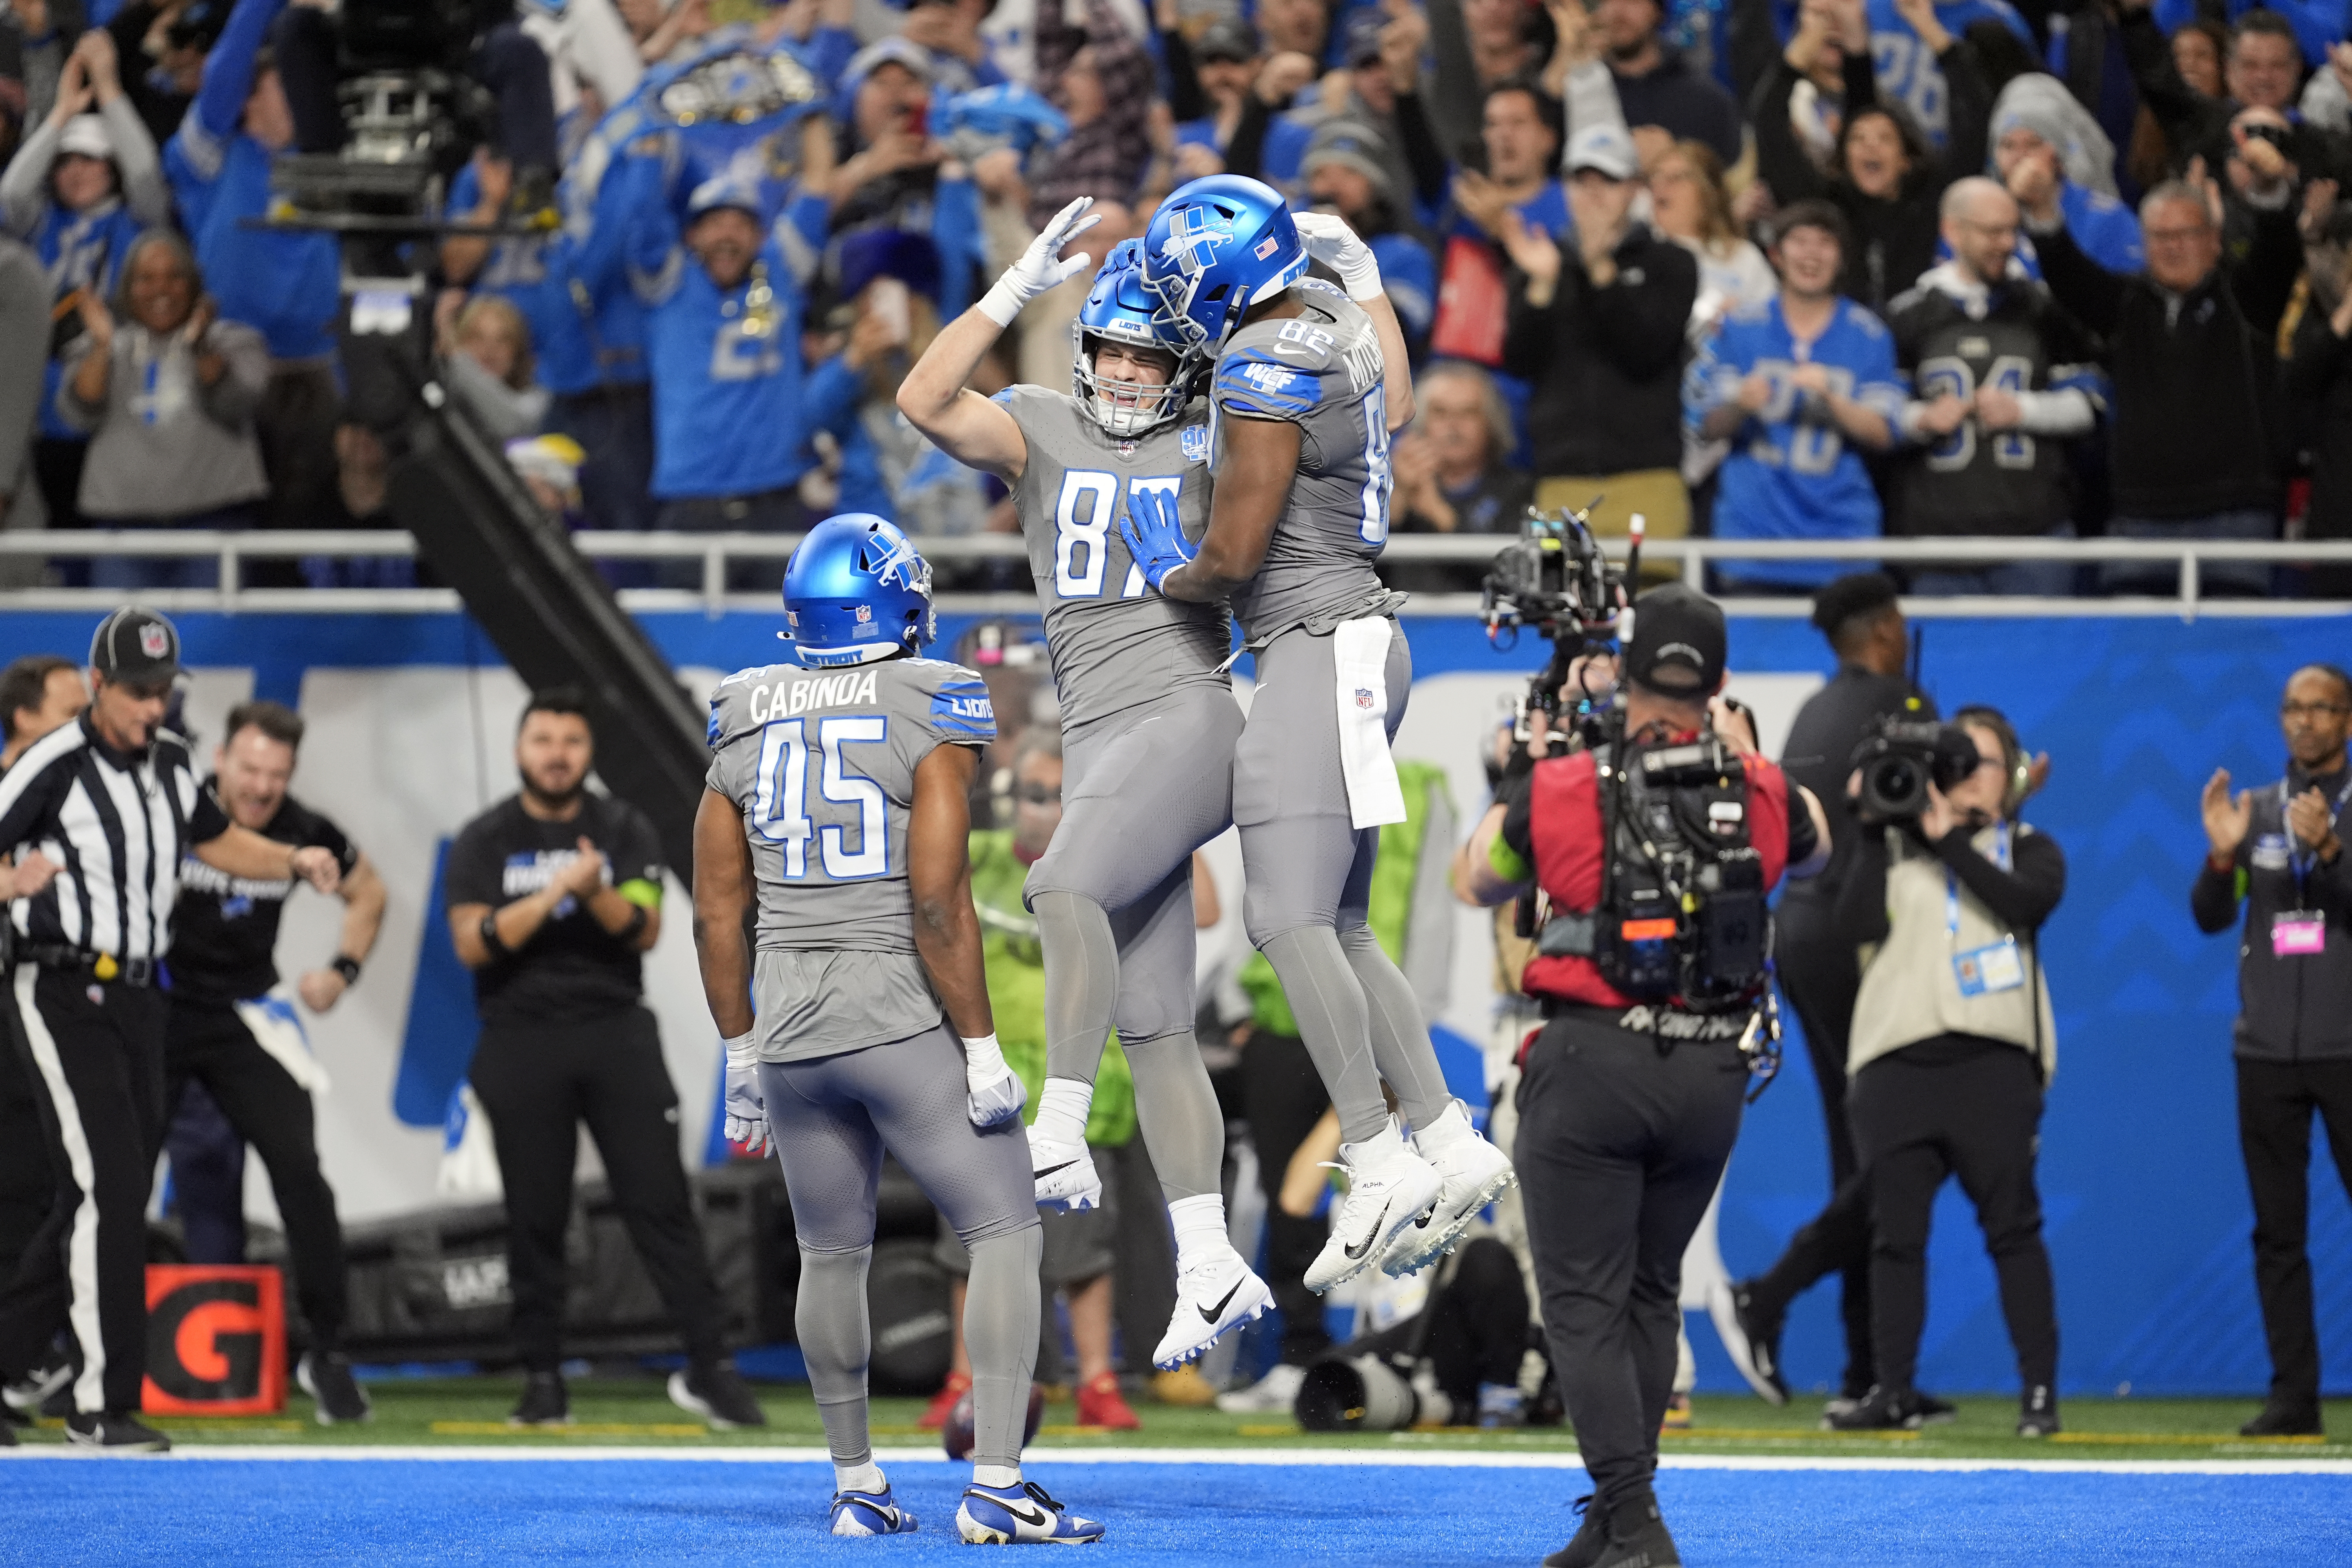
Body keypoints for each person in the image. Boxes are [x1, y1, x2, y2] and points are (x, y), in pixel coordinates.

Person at [895, 211, 1270, 1372]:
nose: (1120, 370)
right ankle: (1208, 1262)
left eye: (1146, 356)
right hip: (1100, 726)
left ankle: (1054, 1123)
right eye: (1107, 349)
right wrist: (1010, 287)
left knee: (1060, 886)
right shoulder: (1043, 427)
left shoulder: (1218, 442)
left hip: (1188, 705)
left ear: (1184, 367)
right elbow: (922, 398)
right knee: (1156, 1028)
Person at [1129, 176, 1516, 1293]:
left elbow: (1237, 554)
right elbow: (1393, 403)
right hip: (1353, 639)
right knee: (1340, 924)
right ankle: (1447, 1136)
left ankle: (1377, 1150)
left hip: (1317, 640)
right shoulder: (1335, 324)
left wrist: (1172, 574)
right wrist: (1369, 282)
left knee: (1284, 918)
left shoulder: (1263, 362)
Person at [695, 513, 1103, 1544]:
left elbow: (714, 905)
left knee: (831, 1253)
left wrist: (740, 1045)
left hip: (788, 1018)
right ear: (896, 604)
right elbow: (938, 900)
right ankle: (1000, 1485)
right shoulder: (933, 695)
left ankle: (856, 1486)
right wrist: (977, 1046)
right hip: (891, 1006)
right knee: (1007, 1230)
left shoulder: (745, 705)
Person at [1455, 585, 1826, 1568]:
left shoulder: (1570, 783)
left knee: (1581, 1299)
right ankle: (1613, 1519)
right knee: (1650, 1291)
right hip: (1710, 1076)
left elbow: (1474, 878)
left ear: (1627, 672)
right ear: (1719, 683)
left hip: (1591, 1066)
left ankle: (1633, 1520)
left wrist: (1532, 770)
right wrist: (1746, 757)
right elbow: (1820, 834)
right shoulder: (1760, 789)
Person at [0, 609, 342, 1451]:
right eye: (140, 692)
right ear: (98, 684)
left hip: (144, 997)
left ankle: (20, 1363)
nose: (154, 707)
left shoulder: (173, 761)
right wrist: (10, 877)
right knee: (111, 1184)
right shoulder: (50, 763)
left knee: (101, 1190)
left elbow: (219, 841)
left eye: (164, 692)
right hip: (60, 983)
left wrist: (292, 860)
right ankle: (100, 1403)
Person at [443, 689, 762, 1432]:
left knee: (662, 1205)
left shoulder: (622, 826)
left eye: (571, 742)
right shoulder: (486, 839)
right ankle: (544, 1379)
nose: (557, 754)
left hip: (615, 1033)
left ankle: (711, 1368)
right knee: (534, 1217)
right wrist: (562, 888)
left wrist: (595, 897)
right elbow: (472, 941)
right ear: (522, 747)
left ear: (588, 754)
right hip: (519, 1041)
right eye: (544, 739)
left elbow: (643, 929)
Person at [1719, 572, 1935, 1411]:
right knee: (1895, 1149)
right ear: (1885, 629)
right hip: (1861, 945)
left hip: (1800, 936)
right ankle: (1769, 1296)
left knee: (1864, 1150)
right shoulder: (1903, 708)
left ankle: (1870, 1372)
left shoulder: (1813, 711)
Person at [1828, 706, 2063, 1439]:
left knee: (2014, 1232)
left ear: (2012, 777)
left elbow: (2025, 903)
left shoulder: (2028, 848)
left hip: (1993, 1068)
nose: (1961, 778)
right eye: (1952, 764)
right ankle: (1892, 1390)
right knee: (1895, 1239)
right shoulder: (1894, 852)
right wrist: (1873, 823)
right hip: (1896, 1070)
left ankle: (2038, 1397)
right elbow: (1853, 926)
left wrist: (1950, 838)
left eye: (1979, 764)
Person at [161, 701, 385, 1425]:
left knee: (301, 1173)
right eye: (250, 769)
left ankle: (329, 1353)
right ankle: (62, 1345)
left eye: (277, 775)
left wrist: (342, 970)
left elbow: (369, 891)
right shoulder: (174, 806)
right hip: (156, 1008)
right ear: (221, 758)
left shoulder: (304, 828)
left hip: (245, 1018)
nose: (261, 787)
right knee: (107, 1175)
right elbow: (213, 849)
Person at [920, 727, 1146, 1433]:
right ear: (1008, 798)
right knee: (968, 1245)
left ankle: (1098, 1385)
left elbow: (1201, 910)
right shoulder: (975, 857)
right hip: (983, 1081)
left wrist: (1139, 814)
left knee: (1083, 1252)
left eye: (1059, 796)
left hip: (1079, 1087)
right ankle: (962, 1380)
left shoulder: (1107, 865)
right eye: (1032, 794)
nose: (1044, 809)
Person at [2193, 664, 2352, 1439]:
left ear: (2347, 721)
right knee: (2277, 1233)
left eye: (2321, 708)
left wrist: (2330, 852)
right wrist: (2221, 857)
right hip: (2264, 1054)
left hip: (2347, 1047)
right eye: (2293, 707)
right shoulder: (2254, 808)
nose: (2304, 720)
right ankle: (2295, 1396)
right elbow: (2208, 918)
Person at [2017, 165, 2301, 597]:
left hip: (2234, 515)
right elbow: (2068, 275)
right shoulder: (2125, 306)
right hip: (2139, 516)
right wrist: (2041, 211)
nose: (2173, 247)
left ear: (2212, 238)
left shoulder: (2247, 300)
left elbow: (2278, 253)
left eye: (2185, 233)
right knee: (2139, 657)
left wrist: (2270, 193)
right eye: (2160, 236)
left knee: (2233, 655)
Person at [163, 0, 345, 532]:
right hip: (233, 370)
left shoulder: (335, 161)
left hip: (322, 373)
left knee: (317, 529)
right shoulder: (212, 158)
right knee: (234, 524)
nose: (303, 93)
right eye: (285, 83)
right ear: (251, 97)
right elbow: (223, 72)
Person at [1884, 178, 2103, 595]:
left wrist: (2025, 411)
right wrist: (1921, 418)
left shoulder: (2041, 308)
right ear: (1952, 230)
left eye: (2012, 230)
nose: (2007, 243)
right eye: (1992, 232)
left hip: (2035, 534)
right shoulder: (1908, 315)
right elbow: (1876, 415)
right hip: (1939, 537)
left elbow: (2091, 403)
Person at [0, 28, 171, 540]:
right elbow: (9, 197)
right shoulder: (41, 224)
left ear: (111, 166)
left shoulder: (134, 222)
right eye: (67, 162)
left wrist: (109, 89)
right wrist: (60, 116)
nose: (76, 172)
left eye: (90, 160)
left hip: (110, 411)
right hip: (36, 414)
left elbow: (147, 180)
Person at [1499, 121, 1700, 551]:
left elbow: (1645, 348)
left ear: (1633, 189)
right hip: (1561, 480)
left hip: (1648, 480)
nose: (1593, 193)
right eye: (1581, 180)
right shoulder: (1541, 264)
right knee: (1556, 612)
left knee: (1652, 613)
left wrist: (1601, 270)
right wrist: (1541, 288)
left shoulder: (1672, 263)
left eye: (1607, 180)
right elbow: (1519, 361)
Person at [1686, 200, 1902, 594]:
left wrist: (1835, 402)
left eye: (1825, 243)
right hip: (1752, 541)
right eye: (1799, 242)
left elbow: (1886, 433)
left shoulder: (1868, 335)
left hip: (1842, 544)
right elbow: (1707, 424)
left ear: (1841, 258)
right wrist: (1740, 405)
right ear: (1777, 255)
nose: (1811, 254)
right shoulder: (1742, 329)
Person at [54, 230, 270, 590]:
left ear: (194, 284)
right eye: (146, 279)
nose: (161, 290)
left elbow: (237, 404)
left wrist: (200, 347)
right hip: (122, 533)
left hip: (215, 527)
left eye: (175, 277)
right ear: (127, 288)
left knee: (210, 642)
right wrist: (102, 346)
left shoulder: (235, 341)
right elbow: (79, 413)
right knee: (119, 642)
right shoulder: (100, 348)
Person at [1752, 0, 1993, 316]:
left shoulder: (1930, 201)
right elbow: (1769, 121)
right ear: (1843, 159)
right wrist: (1809, 40)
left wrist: (1928, 26)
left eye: (1885, 139)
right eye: (1858, 140)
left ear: (1906, 159)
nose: (1870, 148)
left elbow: (1974, 122)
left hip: (1919, 341)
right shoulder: (1824, 204)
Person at [1592, 0, 1742, 165]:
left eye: (1633, 2)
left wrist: (1671, 160)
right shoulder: (1578, 93)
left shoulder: (1708, 102)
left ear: (1658, 12)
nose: (1619, 12)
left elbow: (1727, 182)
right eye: (1608, 1)